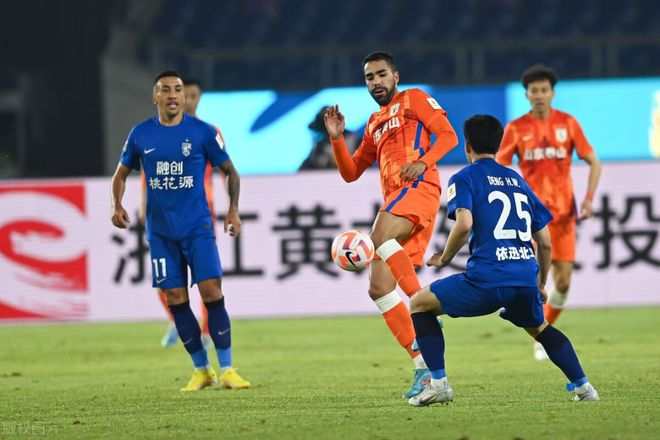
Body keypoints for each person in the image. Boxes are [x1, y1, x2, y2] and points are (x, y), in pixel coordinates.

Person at [407, 114, 599, 406]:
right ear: (498, 145)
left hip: (486, 279)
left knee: (419, 304)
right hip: (524, 279)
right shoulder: (517, 180)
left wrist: (444, 258)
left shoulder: (463, 178)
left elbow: (464, 224)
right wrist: (540, 283)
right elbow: (545, 242)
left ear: (467, 146)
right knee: (540, 328)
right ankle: (585, 389)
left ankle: (438, 384)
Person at [324, 51, 458, 398]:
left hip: (419, 188)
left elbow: (448, 136)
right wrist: (337, 139)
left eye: (381, 74)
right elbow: (351, 173)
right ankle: (426, 370)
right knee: (379, 288)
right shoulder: (373, 122)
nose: (376, 82)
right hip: (396, 201)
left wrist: (424, 162)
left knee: (378, 236)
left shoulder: (414, 99)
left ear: (395, 76)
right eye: (369, 77)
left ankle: (423, 300)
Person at [111, 70, 250, 392]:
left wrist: (232, 209)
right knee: (175, 298)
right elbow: (120, 174)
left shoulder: (203, 132)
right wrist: (116, 204)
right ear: (155, 97)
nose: (173, 95)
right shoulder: (140, 134)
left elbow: (230, 171)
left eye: (177, 89)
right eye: (166, 90)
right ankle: (202, 370)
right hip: (160, 233)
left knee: (211, 292)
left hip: (198, 227)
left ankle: (227, 369)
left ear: (183, 96)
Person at [497, 64, 602, 360]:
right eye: (534, 91)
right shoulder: (516, 128)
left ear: (552, 93)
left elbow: (594, 162)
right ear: (527, 95)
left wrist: (589, 199)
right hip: (530, 217)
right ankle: (540, 334)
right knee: (531, 282)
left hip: (564, 215)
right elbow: (500, 166)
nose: (540, 95)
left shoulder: (568, 123)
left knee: (563, 282)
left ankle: (543, 333)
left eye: (544, 90)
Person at [138, 78, 219, 349]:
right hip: (165, 215)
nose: (190, 101)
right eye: (187, 95)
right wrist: (144, 203)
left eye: (195, 96)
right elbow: (148, 172)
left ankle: (206, 332)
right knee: (166, 280)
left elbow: (225, 168)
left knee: (206, 279)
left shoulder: (209, 132)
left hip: (200, 215)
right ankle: (177, 319)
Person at [299, 106, 359, 170]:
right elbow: (303, 170)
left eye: (320, 131)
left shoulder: (353, 141)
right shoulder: (320, 147)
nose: (317, 137)